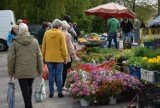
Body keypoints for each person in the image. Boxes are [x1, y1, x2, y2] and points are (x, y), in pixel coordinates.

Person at [7, 23, 43, 108]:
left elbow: (11, 58)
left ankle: (28, 105)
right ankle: (29, 104)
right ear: (27, 30)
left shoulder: (14, 42)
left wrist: (10, 72)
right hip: (32, 69)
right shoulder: (34, 41)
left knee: (24, 89)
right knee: (29, 87)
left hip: (20, 70)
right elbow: (39, 56)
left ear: (19, 30)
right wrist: (40, 70)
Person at [42, 19, 68, 98]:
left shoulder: (46, 33)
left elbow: (44, 46)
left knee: (51, 75)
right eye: (61, 26)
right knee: (59, 75)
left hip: (49, 58)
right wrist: (65, 58)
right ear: (59, 26)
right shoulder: (60, 34)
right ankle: (60, 92)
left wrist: (43, 57)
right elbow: (63, 48)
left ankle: (51, 92)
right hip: (59, 58)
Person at [61, 21, 80, 88]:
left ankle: (58, 84)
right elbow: (70, 48)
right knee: (64, 71)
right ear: (67, 27)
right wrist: (75, 57)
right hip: (65, 55)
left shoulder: (58, 33)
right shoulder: (68, 35)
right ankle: (62, 85)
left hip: (57, 56)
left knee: (57, 71)